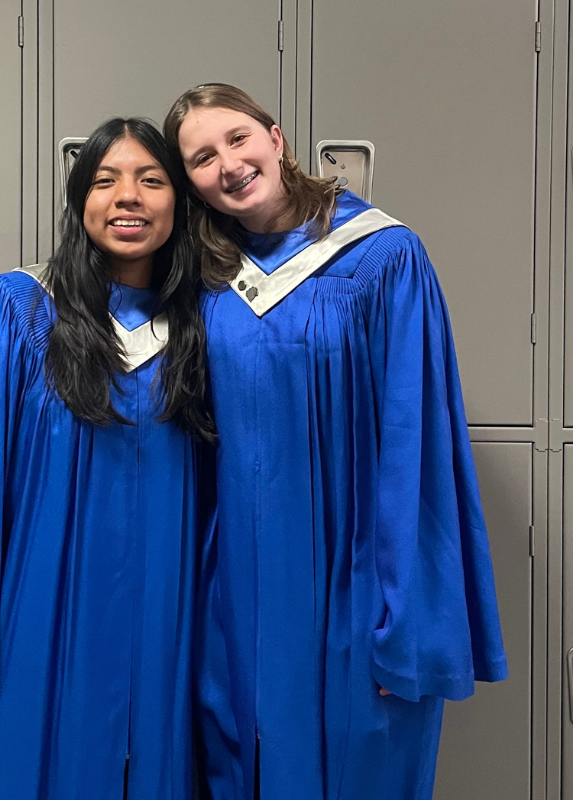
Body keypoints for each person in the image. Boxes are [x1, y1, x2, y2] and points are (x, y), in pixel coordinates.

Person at [163, 84, 508, 800]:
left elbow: (416, 445)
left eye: (237, 138)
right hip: (237, 587)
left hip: (353, 581)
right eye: (201, 157)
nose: (227, 163)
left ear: (276, 137)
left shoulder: (383, 257)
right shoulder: (207, 278)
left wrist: (402, 618)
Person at [0, 117, 215, 800]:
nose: (128, 197)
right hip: (37, 610)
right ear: (80, 203)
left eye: (151, 180)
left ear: (180, 204)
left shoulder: (206, 326)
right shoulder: (17, 312)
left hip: (167, 617)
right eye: (106, 181)